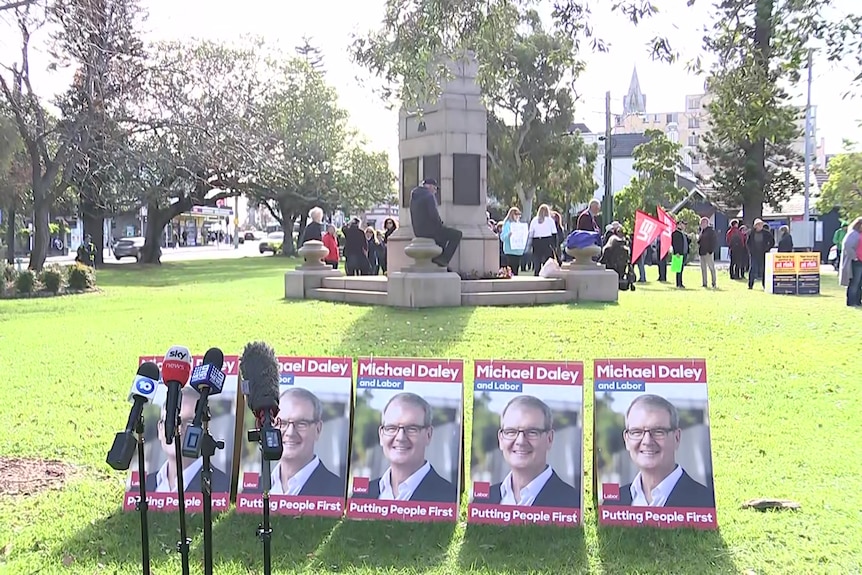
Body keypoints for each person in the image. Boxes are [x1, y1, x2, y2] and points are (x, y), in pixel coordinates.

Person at [604, 394, 714, 508]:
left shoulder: (708, 504)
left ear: (677, 438)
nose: (647, 441)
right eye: (636, 432)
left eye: (658, 431)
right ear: (626, 440)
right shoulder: (612, 503)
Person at [477, 395, 580, 509]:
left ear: (549, 439)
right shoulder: (481, 502)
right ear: (501, 439)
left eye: (532, 432)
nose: (520, 441)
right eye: (511, 431)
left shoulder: (576, 505)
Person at [355, 392, 456, 503]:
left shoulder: (451, 499)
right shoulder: (360, 497)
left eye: (412, 428)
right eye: (391, 428)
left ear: (428, 435)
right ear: (381, 435)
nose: (400, 437)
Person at [145, 386, 231, 493]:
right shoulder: (145, 485)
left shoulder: (223, 487)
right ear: (160, 429)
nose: (179, 430)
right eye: (171, 421)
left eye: (190, 422)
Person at [266, 388, 344, 497]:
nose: (290, 433)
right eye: (282, 423)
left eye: (301, 424)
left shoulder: (339, 491)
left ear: (318, 429)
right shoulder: (254, 489)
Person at [409, 178, 462, 269]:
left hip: (418, 231)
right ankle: (444, 259)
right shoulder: (429, 196)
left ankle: (439, 261)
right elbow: (433, 215)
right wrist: (440, 224)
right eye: (435, 188)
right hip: (430, 230)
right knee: (456, 234)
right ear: (429, 186)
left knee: (442, 238)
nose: (435, 191)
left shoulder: (414, 196)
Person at [839, 217, 862, 307]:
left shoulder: (858, 234)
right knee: (854, 282)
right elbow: (847, 246)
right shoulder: (853, 234)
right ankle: (851, 301)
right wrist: (855, 257)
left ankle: (858, 300)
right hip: (855, 262)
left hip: (860, 260)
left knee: (859, 283)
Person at [746, 219, 775, 290]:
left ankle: (764, 285)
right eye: (758, 225)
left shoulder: (766, 233)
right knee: (752, 269)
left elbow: (772, 242)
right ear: (755, 226)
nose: (760, 226)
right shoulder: (751, 233)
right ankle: (750, 284)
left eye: (761, 225)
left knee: (763, 270)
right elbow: (748, 243)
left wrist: (767, 249)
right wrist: (750, 251)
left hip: (763, 254)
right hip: (754, 254)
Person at [500, 207, 526, 275]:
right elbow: (502, 237)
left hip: (518, 251)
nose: (518, 216)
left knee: (516, 269)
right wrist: (508, 235)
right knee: (510, 269)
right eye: (516, 214)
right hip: (510, 250)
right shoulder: (507, 224)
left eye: (519, 214)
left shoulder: (519, 225)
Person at [698, 217, 717, 289]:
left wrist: (711, 250)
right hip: (702, 252)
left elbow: (714, 241)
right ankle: (704, 283)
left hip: (708, 252)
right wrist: (700, 233)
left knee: (711, 268)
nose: (703, 224)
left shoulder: (711, 231)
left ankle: (714, 282)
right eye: (702, 223)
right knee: (703, 269)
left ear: (707, 223)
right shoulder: (702, 231)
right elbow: (698, 241)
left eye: (704, 222)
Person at [671, 221, 689, 289]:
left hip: (684, 253)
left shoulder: (683, 233)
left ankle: (680, 283)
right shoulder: (675, 233)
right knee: (678, 270)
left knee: (681, 269)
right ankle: (678, 283)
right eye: (682, 224)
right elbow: (675, 244)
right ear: (678, 225)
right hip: (678, 254)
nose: (684, 226)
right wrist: (677, 252)